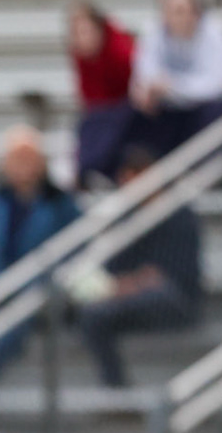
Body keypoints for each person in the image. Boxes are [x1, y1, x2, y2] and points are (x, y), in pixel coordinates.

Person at [74, 148, 203, 388]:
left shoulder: (179, 215)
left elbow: (172, 276)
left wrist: (135, 282)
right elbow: (115, 271)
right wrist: (127, 283)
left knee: (156, 293)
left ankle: (119, 396)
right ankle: (117, 393)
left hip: (175, 301)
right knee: (90, 311)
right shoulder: (125, 219)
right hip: (135, 299)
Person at [0, 125, 80, 375]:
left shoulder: (60, 203)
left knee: (15, 316)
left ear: (41, 162)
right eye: (17, 158)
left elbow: (76, 246)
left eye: (29, 158)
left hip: (35, 288)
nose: (23, 165)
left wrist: (43, 277)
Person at [127, 0, 222, 161]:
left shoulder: (214, 31)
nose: (172, 17)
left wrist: (171, 87)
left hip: (216, 107)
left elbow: (216, 85)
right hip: (177, 109)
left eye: (179, 10)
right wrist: (147, 91)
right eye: (167, 10)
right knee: (138, 115)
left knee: (209, 115)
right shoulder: (154, 30)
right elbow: (144, 74)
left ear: (195, 12)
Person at [69, 1, 140, 187]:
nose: (80, 39)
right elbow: (88, 97)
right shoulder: (81, 56)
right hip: (102, 115)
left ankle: (94, 169)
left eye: (85, 32)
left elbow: (136, 88)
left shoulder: (121, 52)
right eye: (76, 33)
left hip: (128, 113)